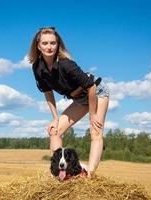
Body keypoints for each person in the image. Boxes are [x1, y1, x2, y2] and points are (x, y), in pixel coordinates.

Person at [28, 27, 109, 177]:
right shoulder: (37, 67)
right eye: (45, 43)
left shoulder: (65, 64)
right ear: (38, 45)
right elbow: (47, 91)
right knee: (55, 131)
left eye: (53, 43)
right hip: (79, 97)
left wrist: (92, 115)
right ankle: (58, 175)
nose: (49, 46)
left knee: (95, 132)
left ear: (57, 44)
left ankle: (89, 176)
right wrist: (55, 118)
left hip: (97, 92)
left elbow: (91, 86)